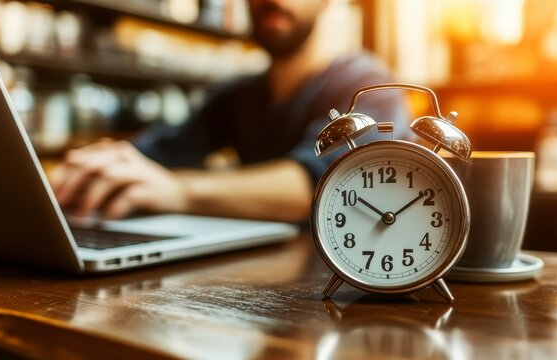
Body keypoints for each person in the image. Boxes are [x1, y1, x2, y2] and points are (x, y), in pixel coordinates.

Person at [50, 0, 411, 223]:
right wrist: (87, 170)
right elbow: (160, 151)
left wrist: (179, 191)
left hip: (337, 286)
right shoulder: (236, 95)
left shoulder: (370, 87)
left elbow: (324, 186)